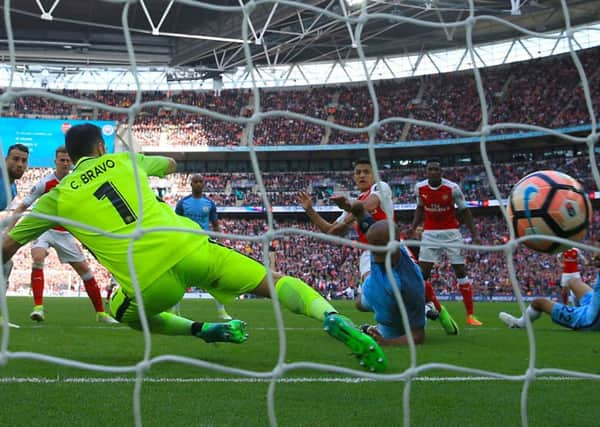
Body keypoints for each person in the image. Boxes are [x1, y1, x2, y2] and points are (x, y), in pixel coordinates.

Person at [1, 123, 387, 373]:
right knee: (273, 280)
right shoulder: (123, 160)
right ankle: (331, 316)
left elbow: (7, 244)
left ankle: (203, 329)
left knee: (123, 310)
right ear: (101, 147)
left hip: (149, 280)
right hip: (191, 246)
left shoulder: (57, 195)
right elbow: (170, 164)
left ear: (72, 155)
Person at [10, 146, 117, 324]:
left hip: (65, 232)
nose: (65, 163)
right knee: (37, 256)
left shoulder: (78, 182)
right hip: (44, 228)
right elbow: (23, 206)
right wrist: (9, 228)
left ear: (72, 162)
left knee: (86, 272)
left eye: (68, 160)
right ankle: (38, 308)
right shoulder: (45, 183)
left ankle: (101, 313)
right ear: (55, 162)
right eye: (62, 160)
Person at [408, 160, 483, 327]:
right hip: (429, 234)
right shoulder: (420, 188)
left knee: (460, 271)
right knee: (422, 274)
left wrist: (474, 234)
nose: (433, 172)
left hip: (451, 233)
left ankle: (470, 315)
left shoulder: (452, 188)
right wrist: (413, 228)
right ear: (426, 172)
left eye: (436, 169)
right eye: (430, 169)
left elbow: (465, 210)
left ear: (441, 171)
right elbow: (420, 208)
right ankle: (419, 308)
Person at [351, 202, 426, 345]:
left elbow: (418, 336)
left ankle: (426, 309)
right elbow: (368, 224)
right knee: (359, 304)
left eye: (379, 248)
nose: (375, 253)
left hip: (394, 319)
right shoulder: (380, 241)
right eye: (373, 246)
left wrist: (386, 343)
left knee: (385, 332)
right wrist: (357, 210)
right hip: (377, 286)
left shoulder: (409, 284)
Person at [175, 174, 232, 320]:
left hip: (204, 243)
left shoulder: (210, 203)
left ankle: (221, 311)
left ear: (204, 184)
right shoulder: (182, 203)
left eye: (201, 182)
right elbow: (175, 224)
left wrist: (220, 241)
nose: (199, 184)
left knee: (214, 276)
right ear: (191, 184)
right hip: (186, 244)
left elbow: (215, 225)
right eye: (196, 182)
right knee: (180, 278)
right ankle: (174, 311)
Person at [499, 252, 600, 331]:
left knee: (538, 302)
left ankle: (519, 324)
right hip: (592, 305)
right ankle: (578, 309)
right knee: (573, 281)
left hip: (590, 320)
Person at [0, 144, 29, 328]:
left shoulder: (13, 188)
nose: (20, 164)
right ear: (5, 161)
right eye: (15, 159)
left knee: (6, 264)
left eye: (24, 161)